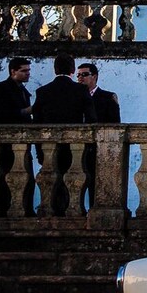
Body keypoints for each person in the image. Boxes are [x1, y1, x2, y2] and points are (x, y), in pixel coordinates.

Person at [32, 53, 97, 215]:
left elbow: (36, 124)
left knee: (51, 183)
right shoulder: (81, 90)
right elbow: (92, 119)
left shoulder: (43, 91)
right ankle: (72, 213)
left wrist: (39, 150)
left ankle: (52, 213)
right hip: (75, 147)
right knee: (74, 182)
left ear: (55, 69)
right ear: (73, 70)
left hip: (48, 147)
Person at [77, 62, 120, 209]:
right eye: (78, 75)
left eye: (84, 74)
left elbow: (114, 125)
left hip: (98, 152)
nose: (80, 78)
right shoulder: (74, 97)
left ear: (94, 76)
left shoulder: (107, 98)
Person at [0, 58, 36, 216]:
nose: (28, 74)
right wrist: (26, 112)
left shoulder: (20, 90)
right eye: (24, 71)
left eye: (28, 71)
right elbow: (2, 114)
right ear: (13, 72)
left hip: (21, 145)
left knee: (27, 181)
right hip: (7, 146)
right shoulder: (1, 89)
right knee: (7, 182)